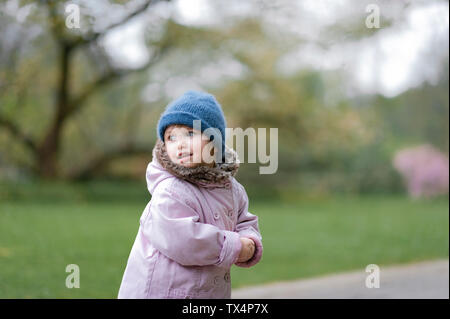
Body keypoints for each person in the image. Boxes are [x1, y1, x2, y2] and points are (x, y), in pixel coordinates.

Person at [118, 90, 263, 299]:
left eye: (190, 134)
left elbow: (245, 221)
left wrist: (249, 240)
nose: (180, 143)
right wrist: (234, 246)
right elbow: (184, 240)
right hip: (162, 293)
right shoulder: (170, 190)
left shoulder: (232, 189)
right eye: (171, 137)